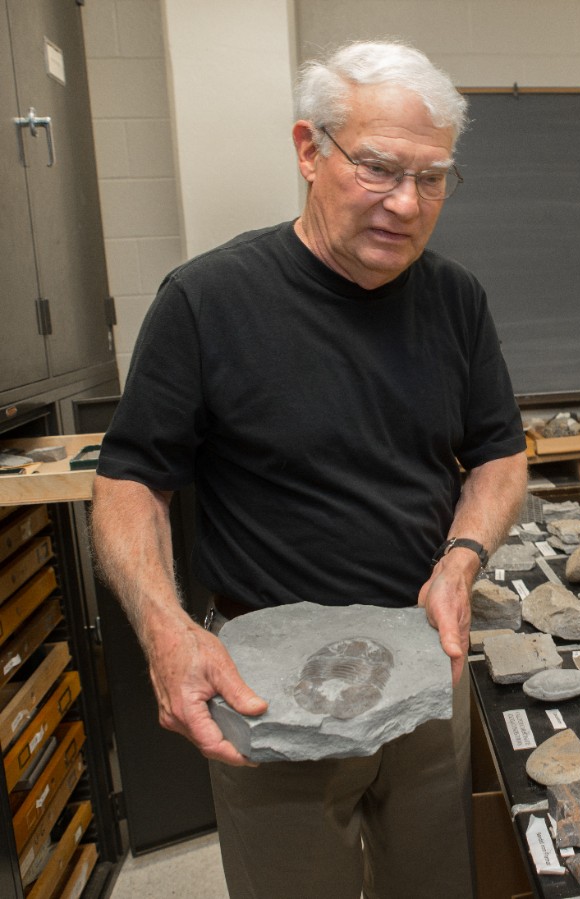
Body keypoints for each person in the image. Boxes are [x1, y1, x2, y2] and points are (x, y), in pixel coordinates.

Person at [90, 40, 528, 899]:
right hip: (270, 690)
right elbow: (130, 479)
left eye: (432, 177)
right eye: (378, 168)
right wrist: (167, 628)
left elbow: (499, 455)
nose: (406, 203)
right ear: (308, 150)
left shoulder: (456, 299)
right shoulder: (206, 300)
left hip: (422, 662)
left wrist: (461, 557)